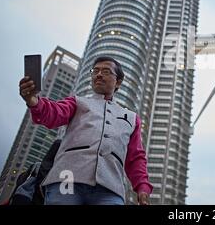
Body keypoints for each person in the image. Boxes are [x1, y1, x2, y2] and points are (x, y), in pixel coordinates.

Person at [19, 56, 152, 205]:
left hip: (110, 188)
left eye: (106, 71)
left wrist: (142, 187)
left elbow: (135, 157)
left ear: (118, 82)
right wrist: (33, 100)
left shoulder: (132, 118)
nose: (99, 74)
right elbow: (53, 113)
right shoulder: (77, 102)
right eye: (95, 71)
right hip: (66, 179)